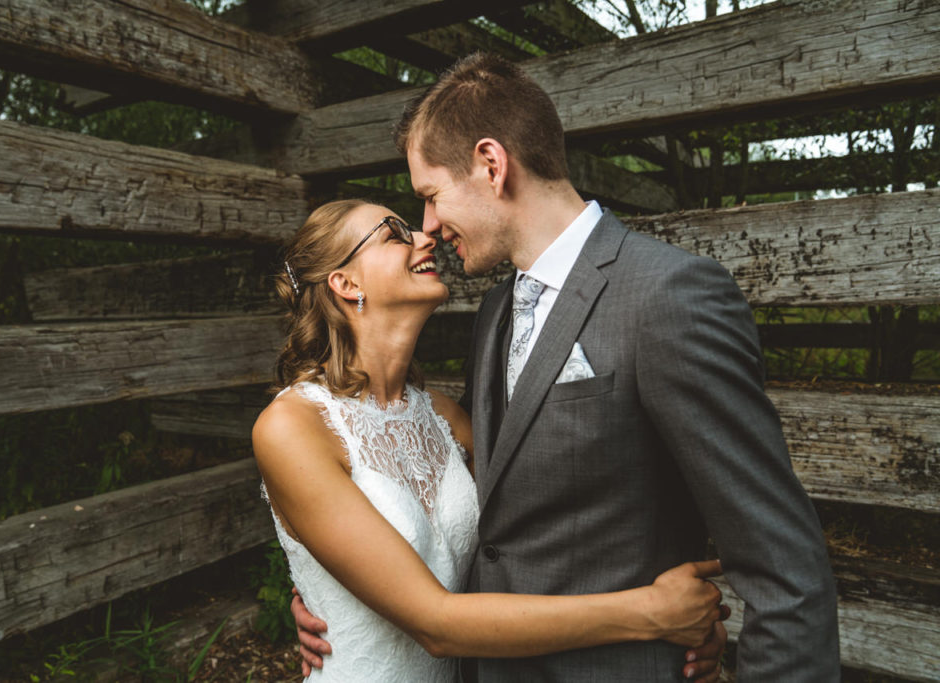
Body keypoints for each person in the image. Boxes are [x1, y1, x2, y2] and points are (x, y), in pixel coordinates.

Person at [293, 53, 841, 682]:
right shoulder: (497, 309)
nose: (430, 227)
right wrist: (332, 583)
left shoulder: (667, 296)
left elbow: (784, 567)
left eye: (431, 196)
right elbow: (491, 495)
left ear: (492, 166)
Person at [252, 198, 729, 682]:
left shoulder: (445, 416)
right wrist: (651, 614)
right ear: (346, 283)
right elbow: (434, 623)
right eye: (395, 234)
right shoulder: (292, 427)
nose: (425, 236)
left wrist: (686, 619)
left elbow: (555, 518)